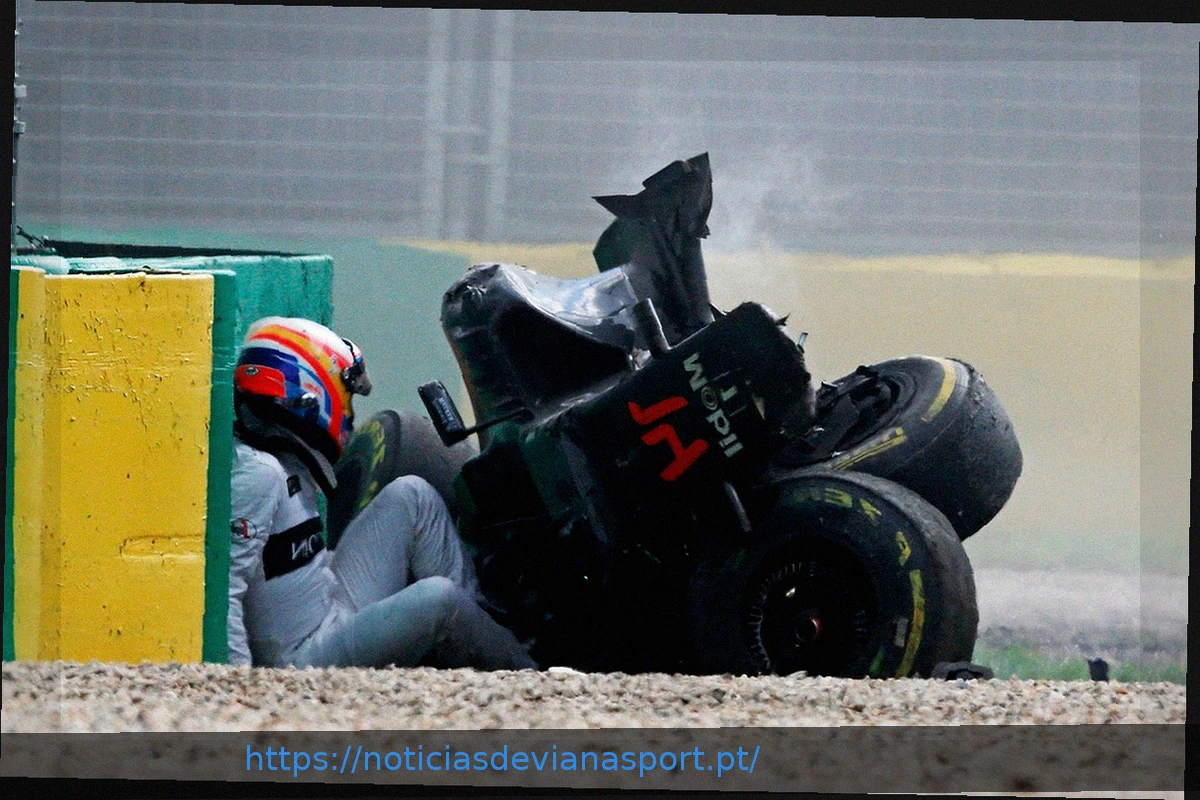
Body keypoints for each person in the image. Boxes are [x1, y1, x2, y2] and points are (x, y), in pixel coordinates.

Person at [227, 316, 536, 671]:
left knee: (412, 496)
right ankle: (527, 670)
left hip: (329, 605)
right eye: (344, 399)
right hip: (305, 658)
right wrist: (237, 683)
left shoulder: (288, 457)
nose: (349, 415)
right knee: (439, 598)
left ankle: (486, 628)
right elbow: (225, 589)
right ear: (307, 395)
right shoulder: (259, 475)